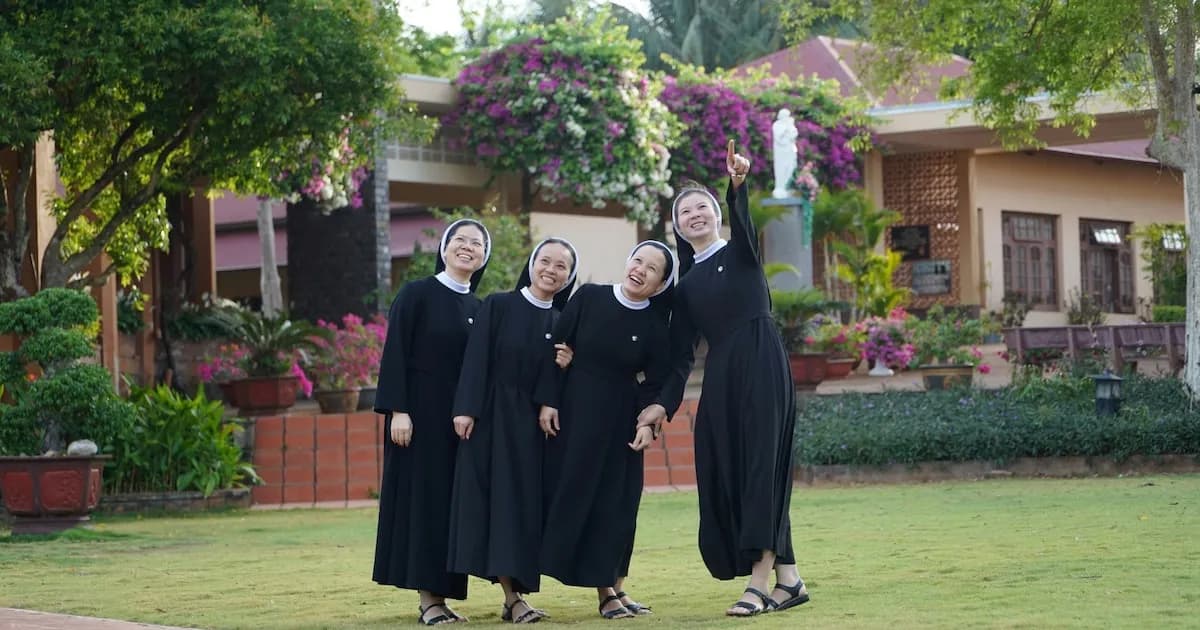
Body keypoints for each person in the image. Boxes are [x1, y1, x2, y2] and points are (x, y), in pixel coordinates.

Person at [637, 141, 809, 617]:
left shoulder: (742, 252)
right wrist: (660, 404)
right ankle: (789, 579)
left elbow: (746, 221)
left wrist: (737, 185)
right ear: (676, 225)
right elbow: (677, 356)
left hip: (761, 361)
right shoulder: (685, 284)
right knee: (732, 465)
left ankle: (758, 583)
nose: (694, 214)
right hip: (721, 378)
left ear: (716, 214)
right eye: (684, 211)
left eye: (702, 207)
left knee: (760, 466)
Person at [537, 241, 676, 620]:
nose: (640, 270)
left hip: (622, 419)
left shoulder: (654, 323)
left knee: (619, 504)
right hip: (578, 413)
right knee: (586, 497)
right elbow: (558, 347)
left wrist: (649, 424)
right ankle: (604, 592)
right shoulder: (590, 296)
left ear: (661, 283)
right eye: (638, 261)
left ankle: (616, 583)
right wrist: (549, 400)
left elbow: (655, 382)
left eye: (652, 269)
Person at [446, 238, 580, 624]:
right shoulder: (499, 304)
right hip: (491, 421)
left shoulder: (560, 320)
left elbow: (553, 386)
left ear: (568, 276)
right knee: (500, 509)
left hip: (532, 430)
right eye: (545, 261)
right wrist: (466, 409)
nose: (551, 270)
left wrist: (566, 365)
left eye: (561, 267)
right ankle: (513, 597)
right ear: (532, 262)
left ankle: (514, 598)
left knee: (523, 510)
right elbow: (477, 358)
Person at [372, 218, 491, 626]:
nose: (467, 247)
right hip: (419, 419)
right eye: (460, 240)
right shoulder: (417, 293)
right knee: (423, 506)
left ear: (483, 257)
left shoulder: (478, 307)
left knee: (450, 510)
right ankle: (428, 601)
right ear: (444, 248)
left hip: (459, 427)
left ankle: (443, 596)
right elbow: (395, 353)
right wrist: (397, 410)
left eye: (476, 243)